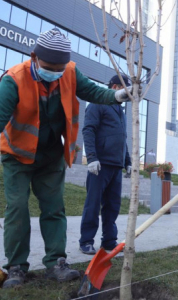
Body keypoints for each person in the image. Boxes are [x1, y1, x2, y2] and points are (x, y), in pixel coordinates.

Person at [0, 29, 131, 288]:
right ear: (34, 57)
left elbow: (93, 91)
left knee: (54, 209)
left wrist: (117, 95)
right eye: (50, 67)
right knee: (17, 210)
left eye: (60, 67)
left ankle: (56, 262)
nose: (56, 72)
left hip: (50, 156)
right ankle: (16, 267)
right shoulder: (14, 80)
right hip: (17, 156)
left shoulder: (69, 71)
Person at [78, 75, 132, 254]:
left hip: (116, 166)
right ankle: (86, 240)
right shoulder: (98, 103)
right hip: (99, 165)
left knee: (112, 206)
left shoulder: (120, 110)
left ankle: (109, 241)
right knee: (92, 205)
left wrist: (128, 162)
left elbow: (122, 139)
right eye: (126, 90)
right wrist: (92, 157)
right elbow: (88, 130)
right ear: (115, 86)